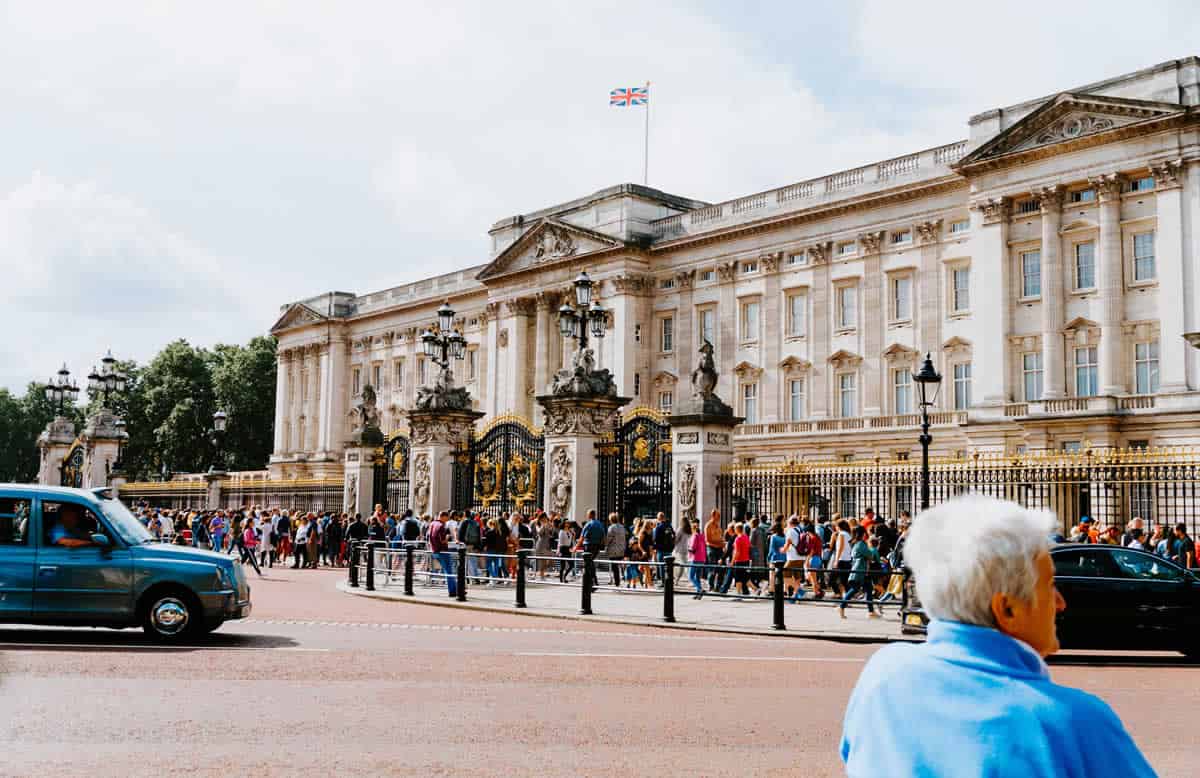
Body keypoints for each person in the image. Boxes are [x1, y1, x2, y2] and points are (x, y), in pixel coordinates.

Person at [840, 496, 1154, 777]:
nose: (1060, 602)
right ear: (1008, 609)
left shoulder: (882, 674)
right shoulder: (1073, 721)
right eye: (1048, 585)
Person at [839, 526, 878, 619]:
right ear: (863, 534)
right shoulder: (861, 544)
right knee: (855, 589)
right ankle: (841, 606)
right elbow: (870, 555)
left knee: (868, 589)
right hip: (861, 570)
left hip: (861, 569)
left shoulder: (856, 543)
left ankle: (871, 612)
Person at [428, 511, 456, 596]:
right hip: (442, 551)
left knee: (447, 570)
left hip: (434, 550)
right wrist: (447, 538)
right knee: (449, 571)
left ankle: (455, 588)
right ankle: (453, 591)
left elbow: (429, 536)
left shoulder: (432, 523)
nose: (447, 520)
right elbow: (443, 540)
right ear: (443, 516)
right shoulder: (441, 526)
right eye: (447, 518)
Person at [604, 513, 627, 586]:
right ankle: (623, 578)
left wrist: (606, 546)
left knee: (615, 567)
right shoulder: (622, 527)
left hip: (613, 550)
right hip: (621, 549)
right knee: (620, 565)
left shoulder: (611, 528)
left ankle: (617, 582)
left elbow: (608, 539)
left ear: (611, 520)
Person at [703, 510, 724, 590]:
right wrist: (720, 542)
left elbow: (720, 537)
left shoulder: (718, 526)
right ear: (713, 515)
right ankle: (711, 585)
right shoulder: (708, 525)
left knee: (722, 567)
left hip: (719, 548)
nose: (719, 517)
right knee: (713, 568)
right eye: (718, 515)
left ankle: (718, 586)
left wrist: (722, 543)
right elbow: (708, 540)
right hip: (712, 548)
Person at [688, 519, 708, 598]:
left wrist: (688, 548)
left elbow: (693, 548)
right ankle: (698, 594)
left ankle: (700, 589)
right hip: (702, 559)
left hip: (695, 558)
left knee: (691, 576)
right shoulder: (702, 536)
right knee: (697, 577)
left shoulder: (694, 536)